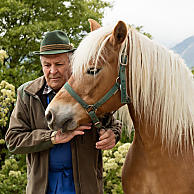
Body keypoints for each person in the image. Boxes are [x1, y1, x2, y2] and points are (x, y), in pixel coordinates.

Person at [5, 30, 122, 194]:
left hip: (85, 188)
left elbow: (113, 125)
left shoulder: (89, 88)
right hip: (43, 188)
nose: (52, 71)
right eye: (47, 65)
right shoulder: (27, 94)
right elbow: (13, 140)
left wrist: (112, 135)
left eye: (59, 64)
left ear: (71, 62)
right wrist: (52, 137)